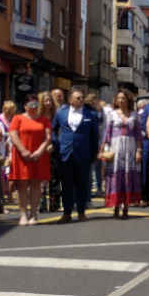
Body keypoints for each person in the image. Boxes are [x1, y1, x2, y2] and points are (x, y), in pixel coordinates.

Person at [50, 88, 103, 224]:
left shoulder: (90, 113)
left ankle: (81, 212)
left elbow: (95, 135)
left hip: (84, 154)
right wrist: (56, 143)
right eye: (77, 98)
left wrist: (94, 153)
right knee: (66, 185)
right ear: (70, 100)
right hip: (65, 153)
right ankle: (66, 213)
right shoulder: (61, 112)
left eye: (81, 97)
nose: (80, 100)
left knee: (82, 184)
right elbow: (52, 129)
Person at [9, 95, 51, 225]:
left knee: (36, 184)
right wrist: (23, 150)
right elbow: (13, 134)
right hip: (22, 155)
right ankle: (23, 214)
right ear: (25, 106)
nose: (33, 108)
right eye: (31, 105)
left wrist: (40, 151)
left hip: (39, 155)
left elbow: (48, 137)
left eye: (36, 105)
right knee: (22, 185)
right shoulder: (18, 118)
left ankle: (34, 213)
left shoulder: (44, 120)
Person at [102, 90, 142, 219]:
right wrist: (104, 149)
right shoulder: (112, 114)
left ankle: (126, 207)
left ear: (128, 100)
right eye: (118, 98)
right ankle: (116, 206)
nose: (121, 100)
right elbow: (107, 133)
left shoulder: (134, 115)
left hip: (130, 148)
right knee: (115, 177)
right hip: (115, 147)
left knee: (127, 176)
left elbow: (138, 135)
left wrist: (139, 151)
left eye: (123, 98)